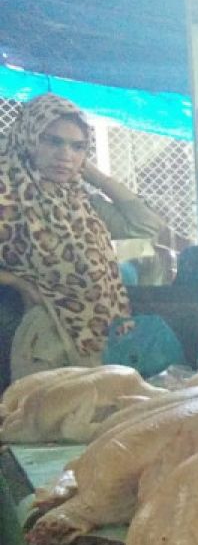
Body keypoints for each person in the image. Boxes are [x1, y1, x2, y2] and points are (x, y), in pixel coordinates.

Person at [0, 94, 161, 382]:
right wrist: (18, 283)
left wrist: (92, 173)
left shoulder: (78, 200)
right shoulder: (7, 191)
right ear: (28, 138)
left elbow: (146, 226)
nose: (65, 154)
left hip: (98, 334)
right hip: (40, 336)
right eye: (53, 141)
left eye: (77, 146)